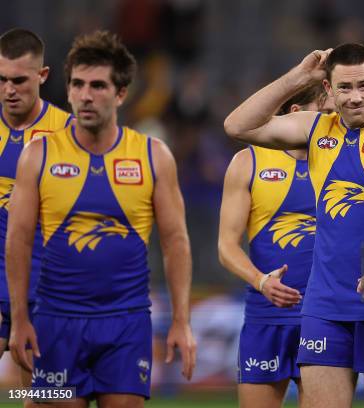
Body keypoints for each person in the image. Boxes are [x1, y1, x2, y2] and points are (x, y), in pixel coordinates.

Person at [225, 43, 364, 408]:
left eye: (363, 85)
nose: (356, 97)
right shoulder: (316, 129)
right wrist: (298, 77)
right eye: (344, 88)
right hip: (325, 308)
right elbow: (236, 124)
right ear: (328, 90)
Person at [6, 31, 196, 408]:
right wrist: (19, 319)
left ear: (121, 94)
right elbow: (19, 240)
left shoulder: (153, 156)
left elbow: (176, 242)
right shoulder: (38, 155)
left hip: (126, 324)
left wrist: (181, 320)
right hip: (55, 324)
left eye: (97, 85)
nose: (85, 96)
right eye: (77, 84)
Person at [219, 84, 334, 408]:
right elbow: (226, 247)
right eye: (325, 115)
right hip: (265, 318)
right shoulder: (248, 162)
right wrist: (261, 281)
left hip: (324, 318)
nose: (331, 124)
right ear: (295, 114)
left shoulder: (342, 163)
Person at [0, 27, 72, 395]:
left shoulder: (68, 135)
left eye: (18, 80)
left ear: (42, 76)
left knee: (45, 397)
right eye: (1, 80)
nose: (9, 89)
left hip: (47, 287)